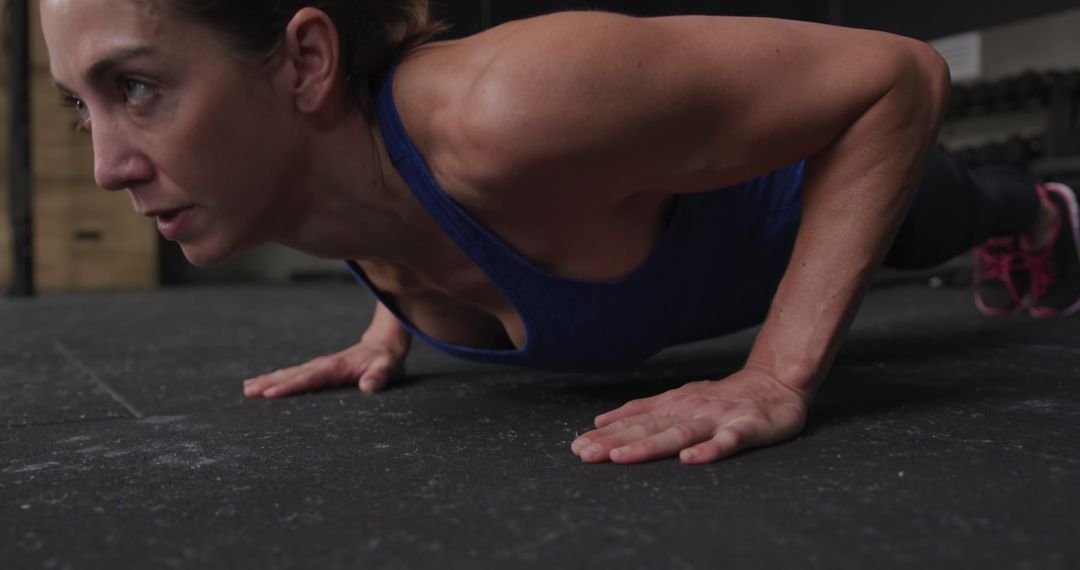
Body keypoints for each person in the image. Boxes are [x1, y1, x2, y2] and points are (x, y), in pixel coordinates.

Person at [39, 0, 1080, 465]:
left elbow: (900, 75)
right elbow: (390, 197)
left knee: (947, 210)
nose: (108, 165)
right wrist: (388, 325)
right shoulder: (305, 181)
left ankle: (1040, 213)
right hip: (665, 264)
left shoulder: (511, 106)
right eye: (83, 105)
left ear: (307, 63)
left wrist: (776, 376)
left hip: (797, 201)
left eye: (137, 86)